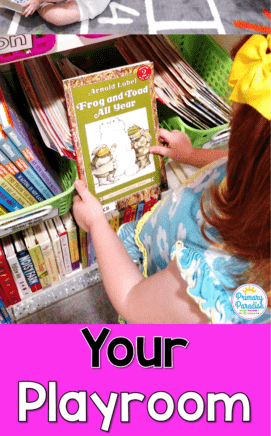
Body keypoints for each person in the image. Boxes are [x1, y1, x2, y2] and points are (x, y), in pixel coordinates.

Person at [73, 34, 271, 324]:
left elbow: (131, 299)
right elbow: (234, 161)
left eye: (235, 121)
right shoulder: (259, 180)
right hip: (159, 244)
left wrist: (96, 223)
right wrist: (191, 155)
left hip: (149, 291)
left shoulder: (216, 280)